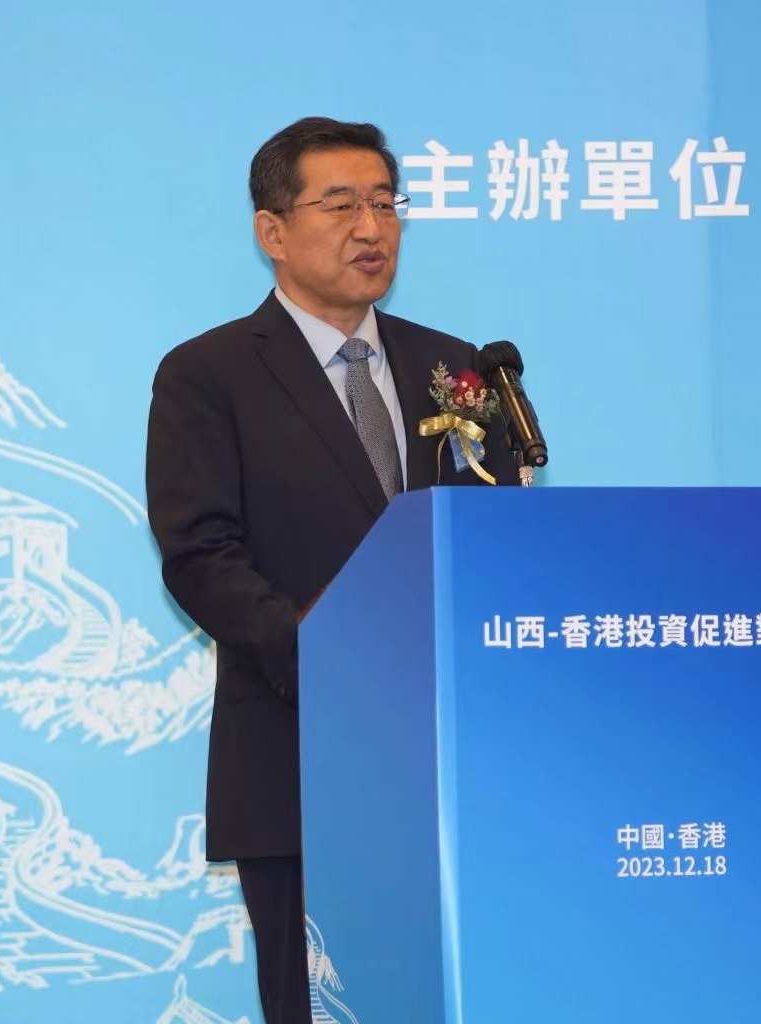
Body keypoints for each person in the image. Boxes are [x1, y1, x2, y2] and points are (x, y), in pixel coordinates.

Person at [144, 117, 520, 1024]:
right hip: (299, 753)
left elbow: (501, 543)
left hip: (460, 762)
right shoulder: (208, 374)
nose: (371, 227)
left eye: (386, 203)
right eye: (341, 204)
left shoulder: (459, 368)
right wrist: (326, 654)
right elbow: (199, 554)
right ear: (272, 231)